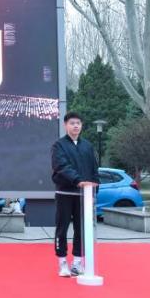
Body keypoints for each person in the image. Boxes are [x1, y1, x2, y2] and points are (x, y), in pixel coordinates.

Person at [50, 112, 100, 277]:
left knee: (82, 229)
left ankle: (77, 262)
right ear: (66, 125)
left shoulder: (87, 146)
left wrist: (95, 190)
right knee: (62, 228)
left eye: (78, 123)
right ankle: (62, 262)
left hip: (84, 196)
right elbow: (61, 166)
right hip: (64, 192)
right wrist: (77, 180)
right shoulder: (59, 145)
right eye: (72, 123)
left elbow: (94, 169)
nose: (76, 126)